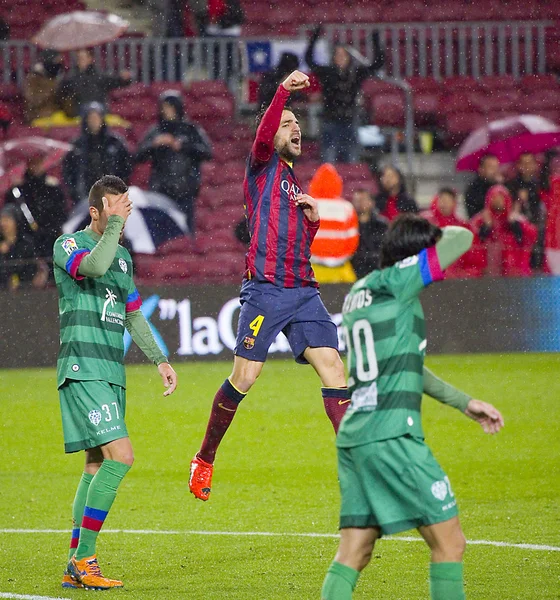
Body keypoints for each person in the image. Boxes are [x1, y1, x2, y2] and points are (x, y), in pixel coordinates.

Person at [321, 214, 504, 600]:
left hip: (357, 437)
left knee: (355, 551)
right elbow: (462, 237)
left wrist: (463, 402)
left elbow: (404, 366)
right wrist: (432, 231)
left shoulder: (360, 290)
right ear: (413, 255)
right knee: (449, 543)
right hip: (393, 435)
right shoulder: (399, 282)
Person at [188, 70, 349, 501]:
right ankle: (204, 458)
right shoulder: (261, 167)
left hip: (305, 291)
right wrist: (282, 92)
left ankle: (358, 465)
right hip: (267, 290)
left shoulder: (295, 186)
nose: (295, 128)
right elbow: (263, 134)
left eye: (298, 124)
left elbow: (297, 244)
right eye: (287, 123)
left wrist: (313, 222)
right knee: (246, 376)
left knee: (334, 369)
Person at [53, 175, 178, 590]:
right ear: (95, 211)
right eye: (115, 207)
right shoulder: (69, 245)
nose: (123, 214)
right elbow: (93, 266)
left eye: (126, 206)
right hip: (83, 367)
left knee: (96, 463)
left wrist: (159, 359)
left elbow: (133, 315)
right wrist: (111, 230)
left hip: (111, 372)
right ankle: (85, 559)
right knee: (121, 456)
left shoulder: (123, 258)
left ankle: (75, 561)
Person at [135, 90, 212, 234]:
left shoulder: (191, 129)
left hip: (185, 190)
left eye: (171, 107)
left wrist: (183, 146)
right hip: (161, 190)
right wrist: (154, 144)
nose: (167, 111)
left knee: (185, 234)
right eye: (164, 107)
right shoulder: (156, 131)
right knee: (162, 233)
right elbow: (138, 156)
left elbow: (207, 152)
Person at [305, 26, 385, 163]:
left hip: (350, 121)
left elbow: (377, 64)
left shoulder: (356, 73)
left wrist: (376, 41)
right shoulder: (327, 73)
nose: (340, 58)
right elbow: (309, 61)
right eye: (337, 54)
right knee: (329, 162)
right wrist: (314, 38)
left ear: (349, 57)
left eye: (343, 54)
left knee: (352, 161)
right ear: (333, 58)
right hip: (330, 120)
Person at [63, 102, 132, 205]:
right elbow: (68, 169)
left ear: (102, 119)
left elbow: (127, 165)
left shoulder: (115, 142)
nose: (94, 121)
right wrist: (74, 190)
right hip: (84, 194)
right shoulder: (77, 144)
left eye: (96, 117)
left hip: (110, 193)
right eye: (91, 118)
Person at [5, 155, 67, 259]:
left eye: (39, 162)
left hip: (50, 237)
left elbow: (61, 212)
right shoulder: (18, 190)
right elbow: (14, 212)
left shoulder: (52, 187)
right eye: (33, 162)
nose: (36, 166)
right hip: (28, 239)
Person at [470, 184, 538, 277]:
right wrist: (486, 227)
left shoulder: (516, 218)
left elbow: (529, 238)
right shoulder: (480, 219)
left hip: (512, 271)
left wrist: (514, 224)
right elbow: (474, 241)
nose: (498, 201)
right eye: (494, 198)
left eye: (501, 198)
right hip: (487, 271)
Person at [309, 163, 359, 283]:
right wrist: (338, 258)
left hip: (314, 268)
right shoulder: (347, 208)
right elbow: (353, 240)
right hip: (341, 269)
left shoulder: (308, 204)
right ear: (337, 183)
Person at [421, 188, 481, 279]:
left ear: (454, 203)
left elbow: (475, 261)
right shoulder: (426, 223)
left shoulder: (464, 228)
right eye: (442, 199)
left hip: (456, 281)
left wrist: (461, 276)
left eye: (448, 200)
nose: (444, 203)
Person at [57, 48, 132, 118]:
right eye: (78, 58)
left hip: (98, 107)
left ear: (90, 59)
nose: (79, 60)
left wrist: (124, 79)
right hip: (80, 109)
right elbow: (62, 92)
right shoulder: (71, 78)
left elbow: (116, 81)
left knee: (94, 109)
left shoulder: (99, 76)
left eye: (82, 58)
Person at [506, 152, 546, 269]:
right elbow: (508, 211)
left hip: (540, 229)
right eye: (523, 163)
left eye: (529, 163)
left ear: (535, 165)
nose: (526, 166)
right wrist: (518, 201)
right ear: (518, 166)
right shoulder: (511, 185)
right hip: (520, 234)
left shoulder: (542, 184)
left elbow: (544, 206)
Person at [350, 188, 388, 279]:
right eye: (356, 200)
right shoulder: (348, 225)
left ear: (372, 203)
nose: (359, 203)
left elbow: (384, 249)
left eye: (363, 200)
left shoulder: (382, 225)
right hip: (353, 271)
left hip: (376, 271)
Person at [0, 205, 36, 291]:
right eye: (2, 219)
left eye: (7, 219)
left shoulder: (26, 243)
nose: (3, 223)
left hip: (25, 292)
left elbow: (29, 269)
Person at [23, 49, 64, 123]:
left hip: (56, 116)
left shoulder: (58, 76)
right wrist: (53, 86)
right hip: (38, 118)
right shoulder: (34, 78)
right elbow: (34, 100)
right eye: (56, 61)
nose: (59, 64)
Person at [464, 153, 502, 219]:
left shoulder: (503, 185)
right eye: (491, 167)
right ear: (481, 169)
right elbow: (475, 214)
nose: (495, 171)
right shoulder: (473, 189)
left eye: (496, 167)